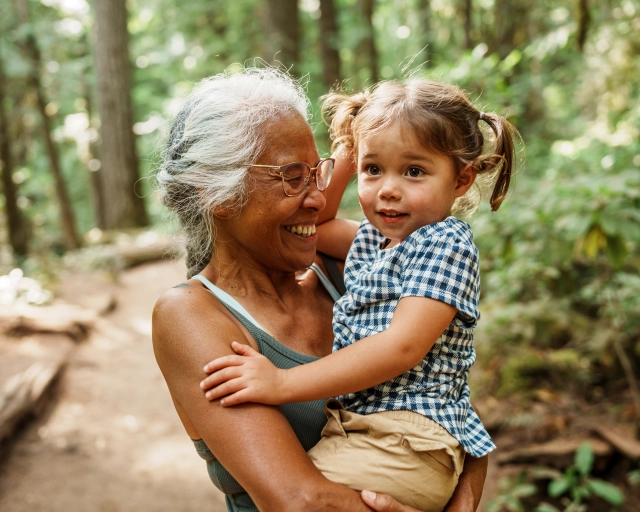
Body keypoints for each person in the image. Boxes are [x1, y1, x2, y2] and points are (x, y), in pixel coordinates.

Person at [153, 67, 489, 512]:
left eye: (320, 172)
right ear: (218, 194)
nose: (316, 196)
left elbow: (445, 396)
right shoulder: (190, 315)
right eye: (294, 176)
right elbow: (300, 501)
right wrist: (358, 147)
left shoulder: (355, 266)